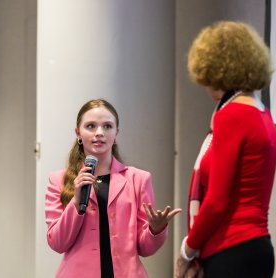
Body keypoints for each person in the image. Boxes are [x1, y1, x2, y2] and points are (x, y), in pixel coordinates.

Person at [175, 21, 276, 278]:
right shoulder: (262, 114)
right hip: (258, 248)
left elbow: (217, 202)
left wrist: (187, 251)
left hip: (230, 249)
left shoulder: (230, 116)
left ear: (217, 69)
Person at [45, 99, 181, 278]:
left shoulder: (138, 179)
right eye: (91, 126)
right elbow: (57, 243)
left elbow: (145, 248)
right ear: (78, 133)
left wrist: (155, 230)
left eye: (107, 126)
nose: (99, 133)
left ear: (116, 133)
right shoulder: (58, 181)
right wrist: (76, 201)